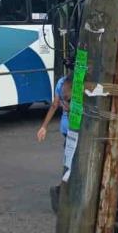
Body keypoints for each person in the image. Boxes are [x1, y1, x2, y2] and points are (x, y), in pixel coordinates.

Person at [37, 75, 72, 211]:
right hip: (75, 128)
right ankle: (61, 192)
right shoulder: (81, 81)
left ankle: (63, 191)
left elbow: (54, 105)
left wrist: (44, 126)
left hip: (65, 128)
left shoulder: (61, 82)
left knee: (69, 161)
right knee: (73, 163)